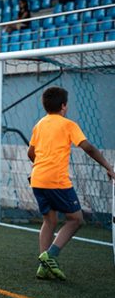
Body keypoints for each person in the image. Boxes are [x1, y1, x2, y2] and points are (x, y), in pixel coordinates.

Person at [27, 86, 115, 281]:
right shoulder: (68, 125)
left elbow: (30, 153)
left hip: (37, 178)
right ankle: (50, 256)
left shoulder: (39, 124)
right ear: (64, 106)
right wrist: (108, 167)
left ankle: (43, 268)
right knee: (76, 219)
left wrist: (41, 166)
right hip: (56, 180)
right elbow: (88, 148)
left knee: (49, 221)